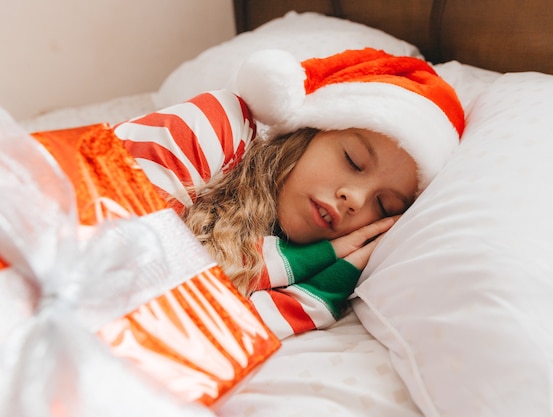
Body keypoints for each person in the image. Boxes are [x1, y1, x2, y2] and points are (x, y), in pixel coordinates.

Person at [114, 48, 464, 339]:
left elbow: (197, 338)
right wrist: (298, 262)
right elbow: (114, 274)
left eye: (383, 204)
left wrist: (324, 286)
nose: (355, 199)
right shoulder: (212, 125)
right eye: (353, 161)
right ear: (310, 132)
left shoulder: (297, 245)